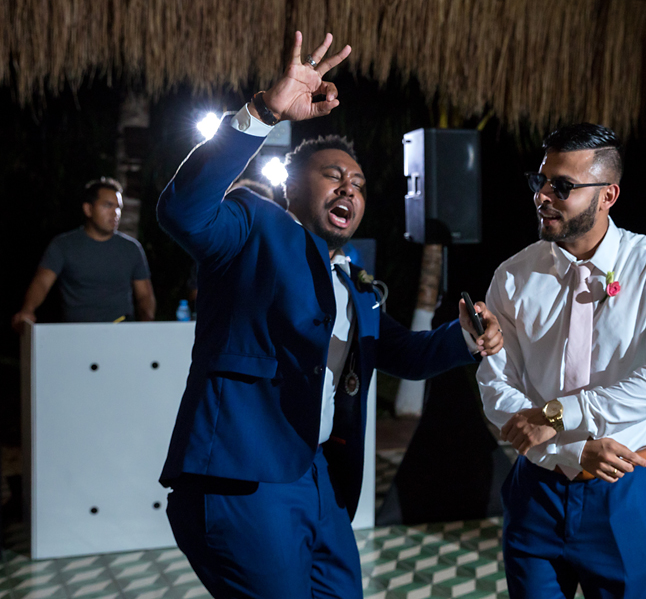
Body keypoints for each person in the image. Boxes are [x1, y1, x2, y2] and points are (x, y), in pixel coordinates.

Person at [157, 32, 502, 599]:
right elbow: (182, 211)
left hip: (319, 476)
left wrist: (466, 337)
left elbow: (403, 356)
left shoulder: (354, 281)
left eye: (360, 184)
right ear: (288, 186)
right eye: (333, 176)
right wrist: (265, 111)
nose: (350, 187)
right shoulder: (252, 225)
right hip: (245, 475)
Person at [477, 123, 646, 599]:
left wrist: (558, 417)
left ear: (608, 195)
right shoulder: (513, 275)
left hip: (622, 489)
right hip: (537, 486)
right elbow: (496, 383)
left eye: (563, 187)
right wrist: (567, 450)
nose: (543, 197)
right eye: (541, 182)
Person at [11, 177, 155, 332]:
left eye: (118, 207)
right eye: (108, 206)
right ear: (88, 209)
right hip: (76, 334)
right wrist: (28, 310)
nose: (115, 213)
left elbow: (145, 295)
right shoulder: (63, 245)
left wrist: (146, 323)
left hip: (121, 332)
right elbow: (42, 282)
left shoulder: (132, 248)